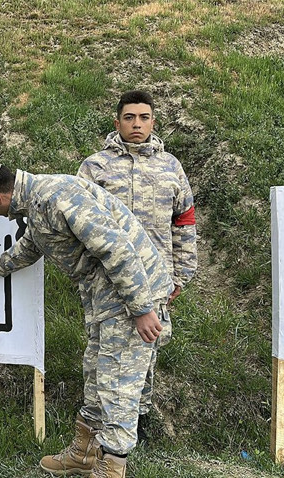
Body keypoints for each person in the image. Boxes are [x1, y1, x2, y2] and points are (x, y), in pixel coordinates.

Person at [0, 161, 174, 477]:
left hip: (130, 295)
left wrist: (142, 308)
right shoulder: (38, 201)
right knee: (96, 372)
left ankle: (112, 466)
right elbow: (35, 241)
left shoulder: (57, 195)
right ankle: (84, 454)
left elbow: (116, 248)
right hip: (110, 296)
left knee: (117, 382)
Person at [77, 90, 197, 439]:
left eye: (144, 118)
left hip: (156, 278)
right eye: (129, 118)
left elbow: (184, 222)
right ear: (117, 123)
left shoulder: (170, 166)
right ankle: (96, 422)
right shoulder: (95, 167)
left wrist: (181, 275)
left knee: (147, 349)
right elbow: (78, 225)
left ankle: (137, 421)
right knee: (101, 349)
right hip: (107, 280)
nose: (137, 124)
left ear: (153, 122)